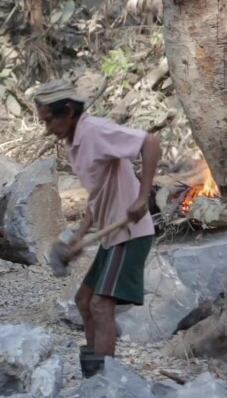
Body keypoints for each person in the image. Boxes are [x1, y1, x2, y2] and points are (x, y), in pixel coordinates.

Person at [33, 78, 160, 378]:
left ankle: (106, 383)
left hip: (131, 233)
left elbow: (150, 142)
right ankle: (93, 378)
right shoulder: (74, 145)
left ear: (68, 110)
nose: (47, 128)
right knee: (84, 301)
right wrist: (79, 236)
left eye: (49, 120)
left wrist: (143, 196)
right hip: (111, 235)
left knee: (102, 306)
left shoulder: (95, 131)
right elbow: (98, 194)